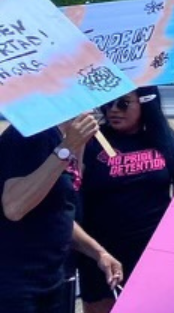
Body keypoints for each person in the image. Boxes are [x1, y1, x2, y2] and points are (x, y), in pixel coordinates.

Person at [78, 88, 174, 313]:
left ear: (145, 104)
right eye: (109, 102)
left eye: (124, 103)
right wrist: (78, 144)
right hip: (103, 254)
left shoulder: (164, 139)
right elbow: (73, 189)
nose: (113, 110)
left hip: (152, 253)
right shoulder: (91, 141)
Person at [0, 114, 123, 313]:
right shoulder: (30, 135)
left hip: (51, 280)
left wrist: (98, 252)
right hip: (16, 285)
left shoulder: (64, 138)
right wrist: (66, 149)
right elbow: (14, 207)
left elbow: (58, 212)